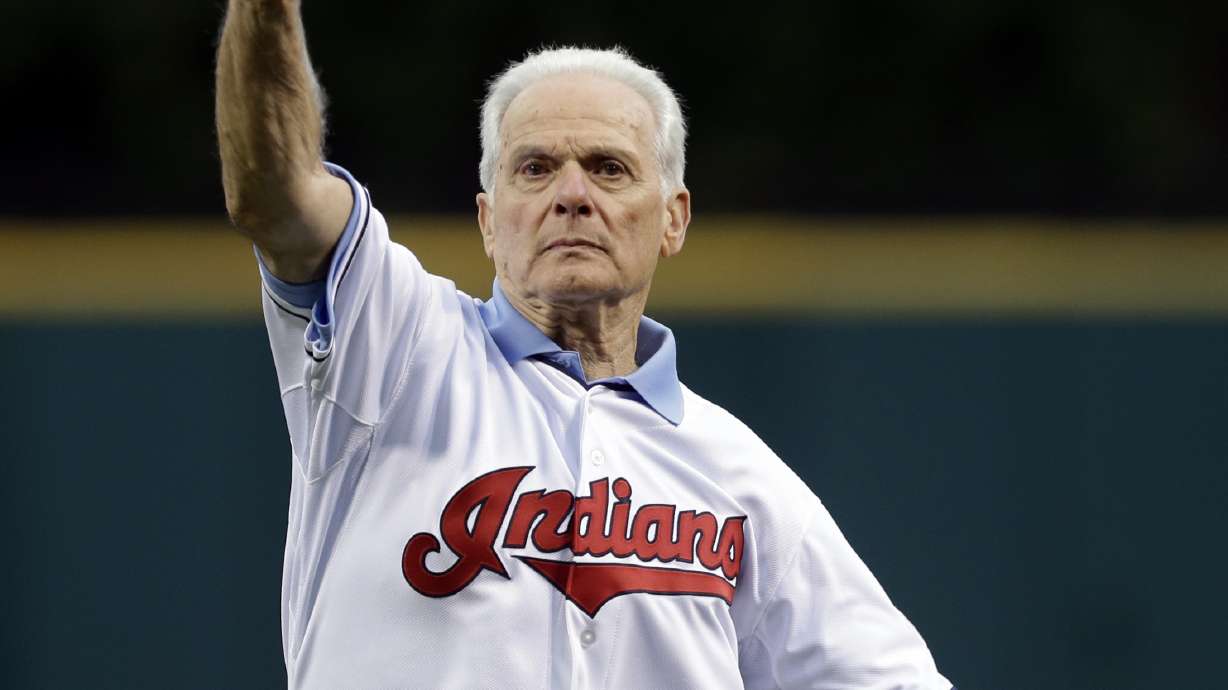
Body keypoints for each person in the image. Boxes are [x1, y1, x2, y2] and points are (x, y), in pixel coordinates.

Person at [215, 2, 954, 688]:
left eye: (609, 167)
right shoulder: (400, 347)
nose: (572, 193)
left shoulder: (742, 478)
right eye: (535, 169)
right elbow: (273, 190)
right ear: (488, 218)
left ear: (673, 218)